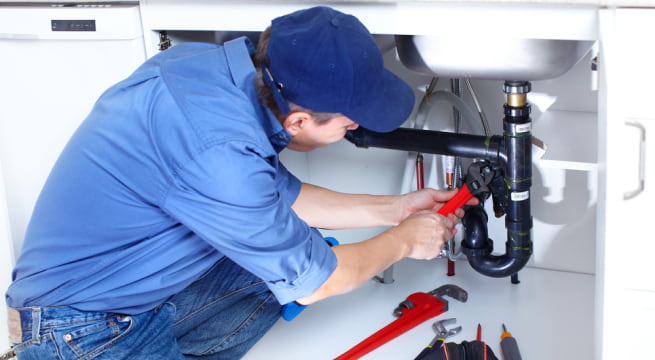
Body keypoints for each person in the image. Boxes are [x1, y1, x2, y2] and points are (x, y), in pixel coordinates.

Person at [5, 6, 475, 360]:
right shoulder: (222, 156)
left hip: (122, 293)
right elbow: (320, 281)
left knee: (286, 258)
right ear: (299, 120)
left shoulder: (210, 70)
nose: (352, 132)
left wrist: (394, 209)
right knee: (305, 269)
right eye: (348, 125)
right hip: (82, 332)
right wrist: (402, 242)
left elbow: (277, 197)